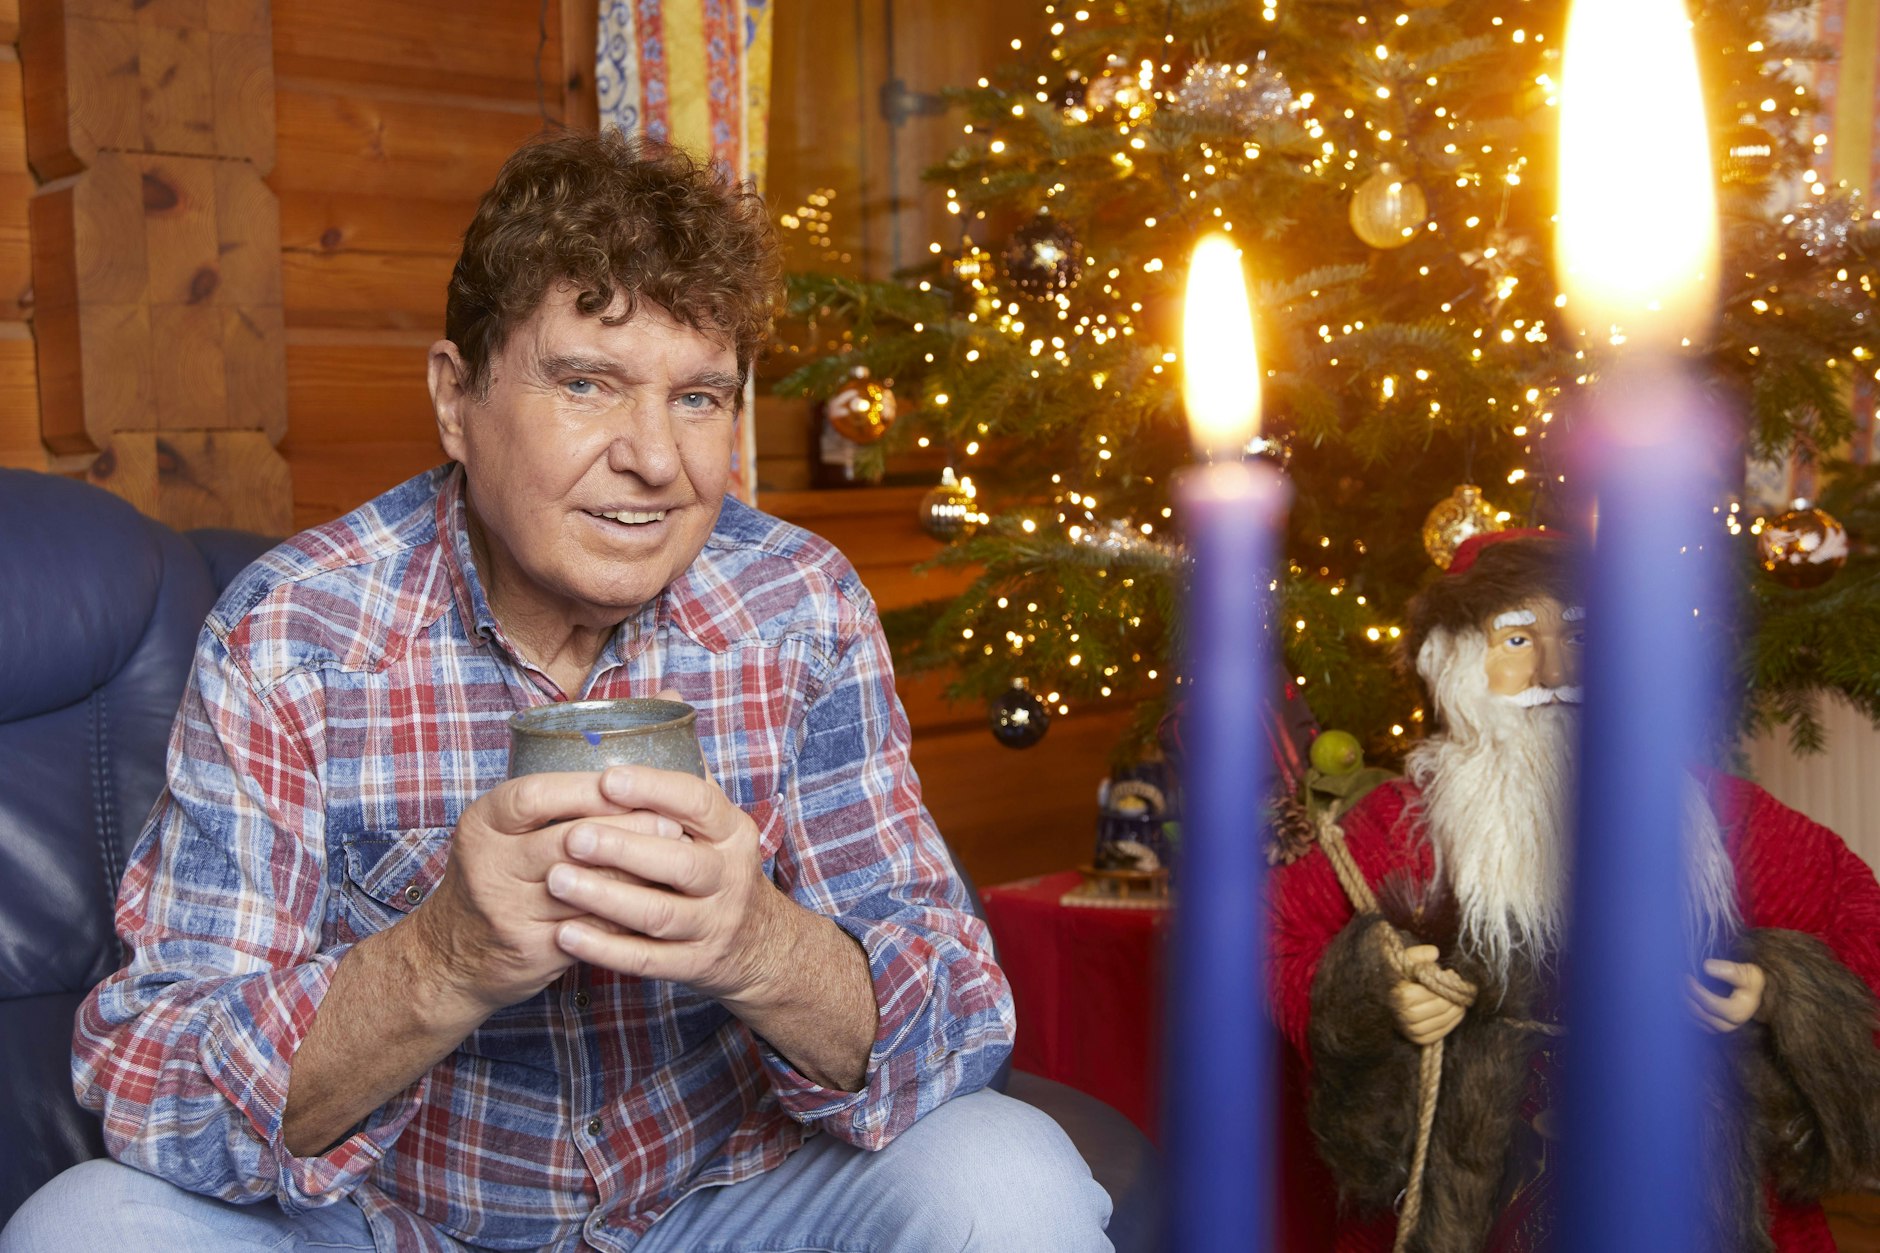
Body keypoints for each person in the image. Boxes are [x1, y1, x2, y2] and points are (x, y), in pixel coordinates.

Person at [1, 131, 1110, 1252]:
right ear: (455, 397)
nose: (657, 460)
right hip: (395, 1226)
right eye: (587, 382)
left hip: (721, 1204)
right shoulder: (291, 634)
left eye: (699, 397)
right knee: (84, 1228)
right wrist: (444, 957)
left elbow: (961, 1015)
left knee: (1007, 1178)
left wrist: (753, 942)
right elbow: (154, 1085)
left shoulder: (799, 607)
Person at [1269, 530, 1880, 1252]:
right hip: (1475, 1206)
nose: (1556, 669)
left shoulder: (1715, 816)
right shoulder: (1399, 829)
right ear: (1455, 661)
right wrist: (1374, 992)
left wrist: (1778, 984)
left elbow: (1858, 918)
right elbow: (1273, 936)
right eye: (1519, 638)